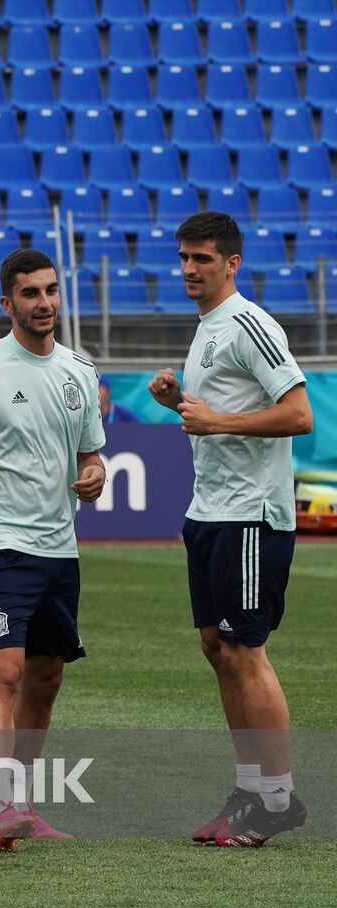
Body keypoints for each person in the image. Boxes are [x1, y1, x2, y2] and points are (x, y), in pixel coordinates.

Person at [0, 249, 107, 852]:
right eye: (30, 293)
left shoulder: (80, 372)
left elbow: (89, 454)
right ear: (7, 303)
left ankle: (23, 802)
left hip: (62, 548)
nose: (44, 302)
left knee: (46, 677)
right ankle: (0, 803)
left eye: (51, 291)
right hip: (3, 544)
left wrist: (95, 472)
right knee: (2, 671)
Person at [147, 211, 312, 847]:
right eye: (184, 258)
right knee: (217, 649)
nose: (190, 269)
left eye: (203, 259)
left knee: (246, 651)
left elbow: (299, 413)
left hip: (251, 515)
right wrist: (180, 403)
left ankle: (279, 799)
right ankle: (249, 791)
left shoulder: (248, 322)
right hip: (210, 511)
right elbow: (218, 411)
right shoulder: (208, 327)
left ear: (232, 263)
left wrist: (217, 422)